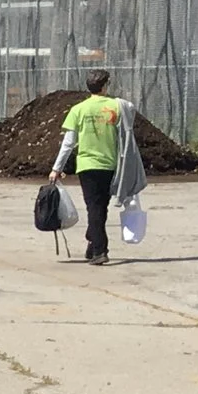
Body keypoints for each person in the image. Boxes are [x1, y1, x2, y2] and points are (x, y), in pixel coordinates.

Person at [46, 70, 138, 267]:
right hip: (110, 164)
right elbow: (131, 109)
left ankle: (99, 250)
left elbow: (68, 143)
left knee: (95, 208)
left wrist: (57, 168)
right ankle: (94, 243)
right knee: (99, 208)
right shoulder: (116, 106)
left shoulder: (79, 110)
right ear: (105, 86)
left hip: (87, 166)